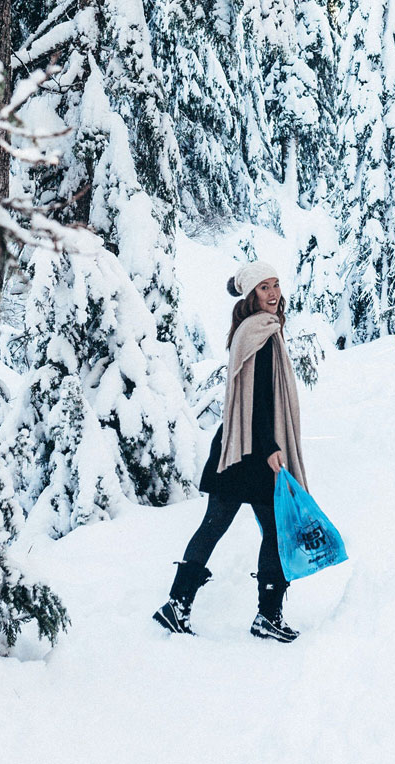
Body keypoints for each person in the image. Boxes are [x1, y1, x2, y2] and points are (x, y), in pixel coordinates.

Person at [153, 261, 310, 644]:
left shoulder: (257, 330)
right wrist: (273, 447)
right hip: (253, 451)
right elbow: (256, 398)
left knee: (218, 526)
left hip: (236, 446)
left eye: (275, 285)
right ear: (250, 295)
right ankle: (266, 617)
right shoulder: (259, 333)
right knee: (272, 531)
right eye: (263, 288)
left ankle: (178, 606)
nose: (272, 294)